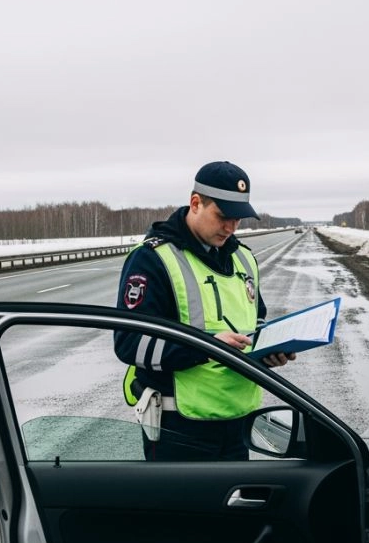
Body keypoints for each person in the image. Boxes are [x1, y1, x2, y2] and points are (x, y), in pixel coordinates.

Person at [114, 160, 296, 461]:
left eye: (238, 219)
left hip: (239, 422)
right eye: (223, 216)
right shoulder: (153, 259)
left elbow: (255, 320)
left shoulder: (243, 258)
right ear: (196, 203)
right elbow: (130, 343)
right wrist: (208, 347)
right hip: (178, 428)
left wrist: (267, 352)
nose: (231, 228)